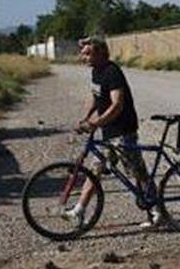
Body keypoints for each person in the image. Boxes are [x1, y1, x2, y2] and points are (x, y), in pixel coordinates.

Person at [62, 36, 161, 228]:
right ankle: (79, 210)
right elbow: (96, 96)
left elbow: (117, 104)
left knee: (137, 172)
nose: (84, 58)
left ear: (100, 52)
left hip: (123, 130)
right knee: (95, 170)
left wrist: (96, 122)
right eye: (83, 54)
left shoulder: (112, 72)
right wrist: (85, 118)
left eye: (88, 54)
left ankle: (156, 211)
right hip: (108, 130)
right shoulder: (96, 72)